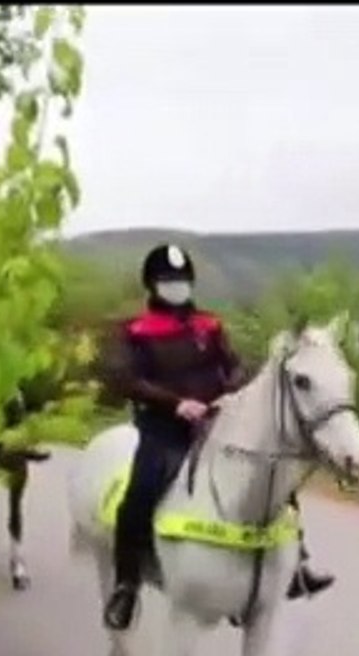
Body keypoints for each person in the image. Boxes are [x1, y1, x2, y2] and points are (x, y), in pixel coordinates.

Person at [96, 243, 335, 631]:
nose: (177, 287)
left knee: (275, 476)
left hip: (216, 424)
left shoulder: (209, 325)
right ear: (153, 285)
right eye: (168, 281)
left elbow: (234, 364)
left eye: (182, 281)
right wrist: (175, 404)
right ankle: (126, 585)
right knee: (141, 490)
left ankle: (298, 565)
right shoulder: (134, 331)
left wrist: (231, 392)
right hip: (164, 429)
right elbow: (126, 379)